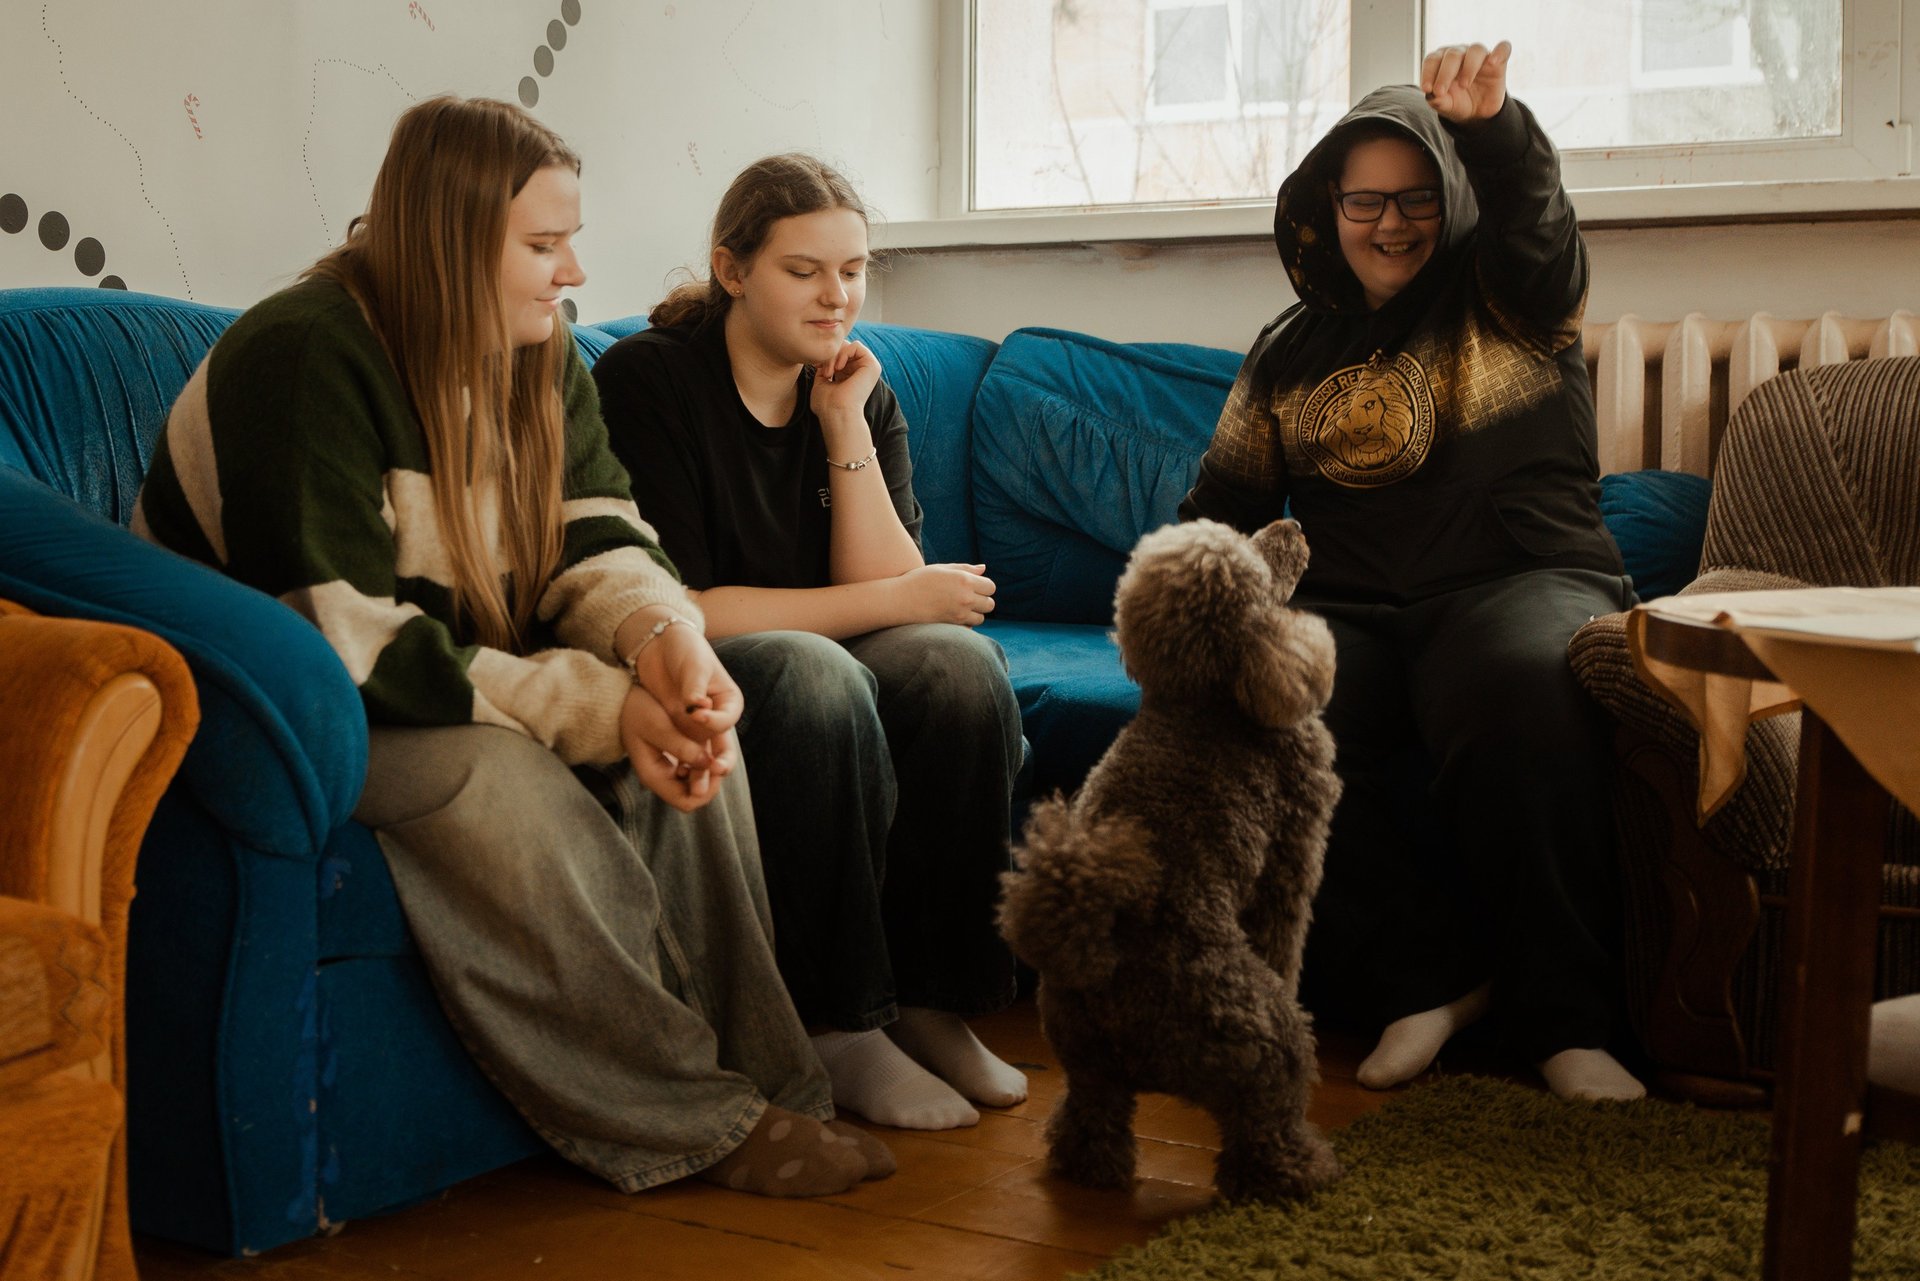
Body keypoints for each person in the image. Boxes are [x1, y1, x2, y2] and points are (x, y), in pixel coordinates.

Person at [131, 96, 896, 1197]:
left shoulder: (536, 357)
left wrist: (663, 641)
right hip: (277, 707)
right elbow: (339, 634)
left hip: (419, 668)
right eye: (543, 245)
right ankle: (692, 1121)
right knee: (501, 779)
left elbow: (599, 536)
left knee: (690, 737)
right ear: (447, 238)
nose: (574, 270)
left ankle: (775, 1083)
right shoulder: (299, 356)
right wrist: (586, 706)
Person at [1179, 42, 1646, 1102]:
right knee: (1263, 709)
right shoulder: (1287, 348)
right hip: (1351, 603)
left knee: (1520, 686)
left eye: (1417, 197)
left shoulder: (1514, 295)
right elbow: (1221, 509)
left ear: (1455, 199)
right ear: (1324, 211)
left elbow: (1537, 220)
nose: (1390, 225)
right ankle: (1429, 982)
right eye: (1364, 203)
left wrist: (1494, 133)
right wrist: (1192, 614)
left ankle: (1568, 1021)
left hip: (1519, 577)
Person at [591, 155, 1029, 1131]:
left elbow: (897, 607)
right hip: (689, 654)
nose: (837, 296)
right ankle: (836, 1025)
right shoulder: (648, 379)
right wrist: (897, 594)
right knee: (815, 672)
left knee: (957, 669)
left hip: (815, 631)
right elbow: (679, 606)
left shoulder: (857, 390)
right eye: (804, 270)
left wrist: (841, 421)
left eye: (854, 269)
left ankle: (931, 1001)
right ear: (732, 269)